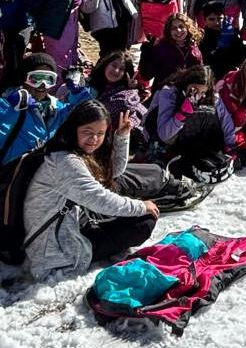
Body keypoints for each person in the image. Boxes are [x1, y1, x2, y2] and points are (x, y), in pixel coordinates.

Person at [22, 99, 168, 280]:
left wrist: (122, 136)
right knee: (143, 223)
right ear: (73, 128)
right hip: (56, 250)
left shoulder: (68, 151)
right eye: (87, 132)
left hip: (66, 227)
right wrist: (142, 206)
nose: (94, 139)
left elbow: (111, 172)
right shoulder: (66, 162)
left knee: (128, 203)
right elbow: (101, 200)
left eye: (100, 133)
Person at [0, 52, 95, 177]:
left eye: (49, 79)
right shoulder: (7, 109)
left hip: (45, 177)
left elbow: (88, 114)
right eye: (36, 78)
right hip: (11, 179)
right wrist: (7, 107)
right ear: (24, 79)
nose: (42, 85)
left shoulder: (56, 109)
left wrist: (78, 93)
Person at [146, 65, 236, 182]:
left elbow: (225, 120)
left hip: (187, 136)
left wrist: (231, 146)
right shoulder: (169, 92)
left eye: (202, 92)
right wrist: (181, 114)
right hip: (163, 134)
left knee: (209, 113)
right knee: (203, 114)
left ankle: (203, 156)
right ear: (187, 83)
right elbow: (164, 134)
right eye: (194, 90)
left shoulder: (210, 96)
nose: (198, 95)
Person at [145, 12, 205, 88]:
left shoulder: (194, 48)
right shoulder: (161, 48)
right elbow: (147, 75)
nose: (178, 30)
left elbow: (200, 72)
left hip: (188, 89)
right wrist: (147, 51)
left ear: (187, 28)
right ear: (169, 31)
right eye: (174, 28)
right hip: (165, 89)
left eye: (181, 27)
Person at [198, 0, 246, 76]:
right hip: (211, 76)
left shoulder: (230, 33)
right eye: (211, 19)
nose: (216, 23)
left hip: (231, 76)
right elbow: (207, 60)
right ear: (205, 20)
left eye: (219, 19)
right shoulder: (201, 37)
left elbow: (241, 57)